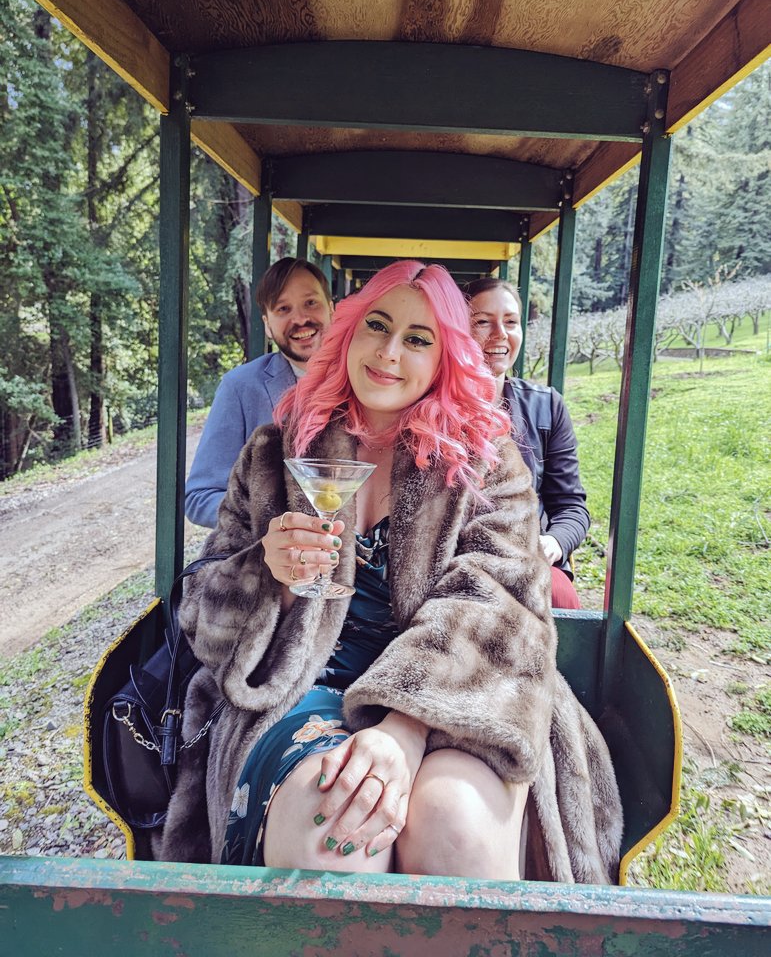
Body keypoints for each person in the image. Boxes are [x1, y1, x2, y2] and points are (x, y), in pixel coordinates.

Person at [161, 261, 621, 884]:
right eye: (377, 326)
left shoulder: (487, 464)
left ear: (445, 359)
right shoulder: (274, 455)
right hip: (302, 689)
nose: (389, 352)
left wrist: (404, 727)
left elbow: (502, 611)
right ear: (348, 333)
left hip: (462, 695)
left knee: (454, 823)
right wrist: (266, 573)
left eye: (418, 338)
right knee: (337, 829)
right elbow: (202, 619)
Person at [466, 278, 590, 610]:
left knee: (561, 596)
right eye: (482, 322)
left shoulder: (546, 406)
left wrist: (552, 543)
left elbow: (571, 507)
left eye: (510, 322)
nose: (501, 334)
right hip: (457, 562)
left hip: (526, 559)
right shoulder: (433, 408)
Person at [185, 256, 334, 528]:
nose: (300, 319)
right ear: (267, 324)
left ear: (331, 309)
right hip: (268, 563)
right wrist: (272, 525)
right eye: (283, 309)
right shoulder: (240, 387)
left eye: (311, 303)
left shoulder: (369, 381)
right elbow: (200, 497)